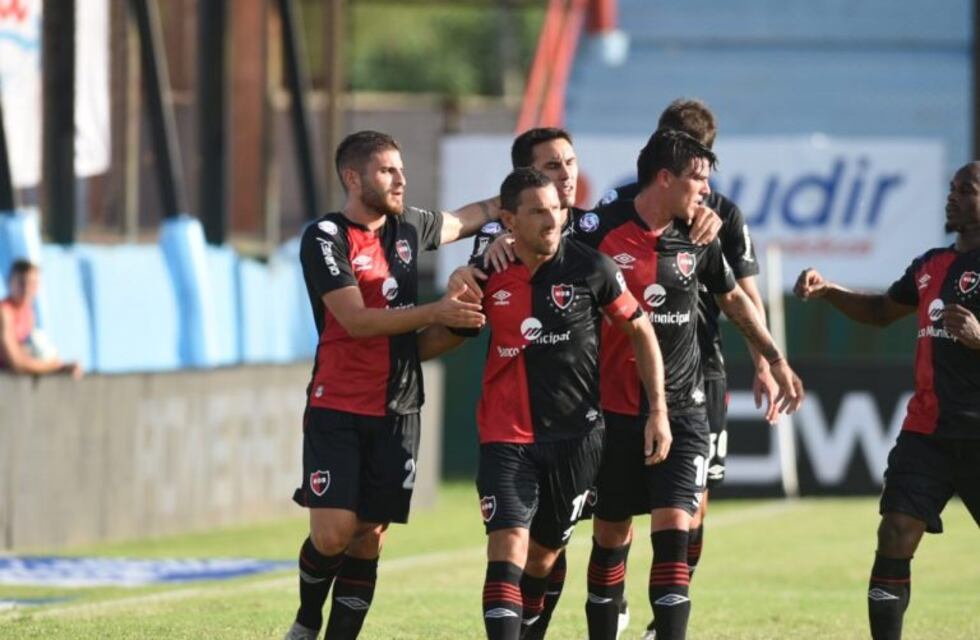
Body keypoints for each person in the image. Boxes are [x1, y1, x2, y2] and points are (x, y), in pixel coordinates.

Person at [451, 124, 724, 640]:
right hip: (534, 420)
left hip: (587, 422)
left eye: (571, 164)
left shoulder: (592, 228)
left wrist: (705, 213)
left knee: (553, 549)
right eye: (553, 168)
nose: (567, 177)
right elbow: (468, 280)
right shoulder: (502, 245)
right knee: (528, 546)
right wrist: (459, 277)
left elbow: (649, 208)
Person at [575, 129, 803, 640]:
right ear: (664, 178)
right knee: (610, 535)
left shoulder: (698, 236)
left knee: (675, 533)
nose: (706, 191)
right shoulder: (600, 231)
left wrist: (774, 357)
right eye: (697, 179)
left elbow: (734, 300)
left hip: (684, 411)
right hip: (613, 412)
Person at [284, 130, 501, 640]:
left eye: (401, 169)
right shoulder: (325, 237)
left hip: (399, 407)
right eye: (388, 170)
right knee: (334, 531)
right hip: (337, 403)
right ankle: (307, 619)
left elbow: (464, 219)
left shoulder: (408, 228)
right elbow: (356, 321)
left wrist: (508, 207)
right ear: (352, 178)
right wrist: (437, 310)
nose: (401, 178)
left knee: (368, 536)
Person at [793, 161, 980, 640]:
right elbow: (880, 312)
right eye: (953, 187)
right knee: (895, 531)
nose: (952, 196)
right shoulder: (929, 267)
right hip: (928, 432)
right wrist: (831, 290)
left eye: (967, 189)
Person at [0, 259, 81, 377]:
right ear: (9, 283)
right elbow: (16, 363)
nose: (27, 289)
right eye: (21, 283)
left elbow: (23, 356)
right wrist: (54, 367)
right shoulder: (4, 313)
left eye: (32, 283)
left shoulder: (28, 312)